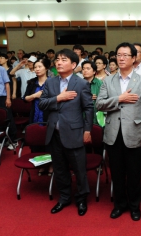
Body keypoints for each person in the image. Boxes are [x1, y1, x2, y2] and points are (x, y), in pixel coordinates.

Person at [96, 42, 141, 221]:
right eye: (118, 55)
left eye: (125, 55)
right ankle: (119, 205)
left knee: (134, 173)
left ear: (134, 58)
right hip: (113, 133)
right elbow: (99, 104)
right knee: (117, 173)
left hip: (135, 133)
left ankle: (134, 206)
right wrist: (119, 98)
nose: (121, 58)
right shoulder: (108, 80)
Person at [39, 48, 93, 216]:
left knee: (79, 169)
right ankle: (64, 198)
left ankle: (82, 199)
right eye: (58, 59)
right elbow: (42, 104)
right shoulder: (50, 82)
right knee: (60, 168)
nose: (59, 62)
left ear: (74, 64)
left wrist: (88, 130)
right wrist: (58, 98)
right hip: (54, 134)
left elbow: (88, 108)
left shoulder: (81, 83)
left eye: (63, 60)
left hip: (74, 133)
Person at [24, 58, 52, 176]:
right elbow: (25, 98)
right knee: (37, 141)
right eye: (35, 67)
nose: (37, 69)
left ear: (46, 68)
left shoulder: (53, 82)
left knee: (49, 141)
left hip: (49, 115)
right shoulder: (31, 82)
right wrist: (35, 95)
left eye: (39, 67)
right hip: (35, 114)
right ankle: (41, 165)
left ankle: (51, 165)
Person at [81, 61, 102, 126]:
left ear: (94, 71)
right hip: (81, 116)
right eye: (83, 69)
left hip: (96, 115)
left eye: (88, 68)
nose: (85, 71)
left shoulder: (100, 83)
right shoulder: (78, 83)